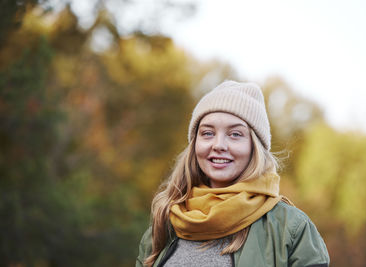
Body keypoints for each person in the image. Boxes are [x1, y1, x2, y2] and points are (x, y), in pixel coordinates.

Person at [136, 81, 330, 267]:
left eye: (235, 134)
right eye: (207, 133)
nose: (219, 145)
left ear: (254, 147)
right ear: (195, 144)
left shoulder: (292, 228)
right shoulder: (166, 223)